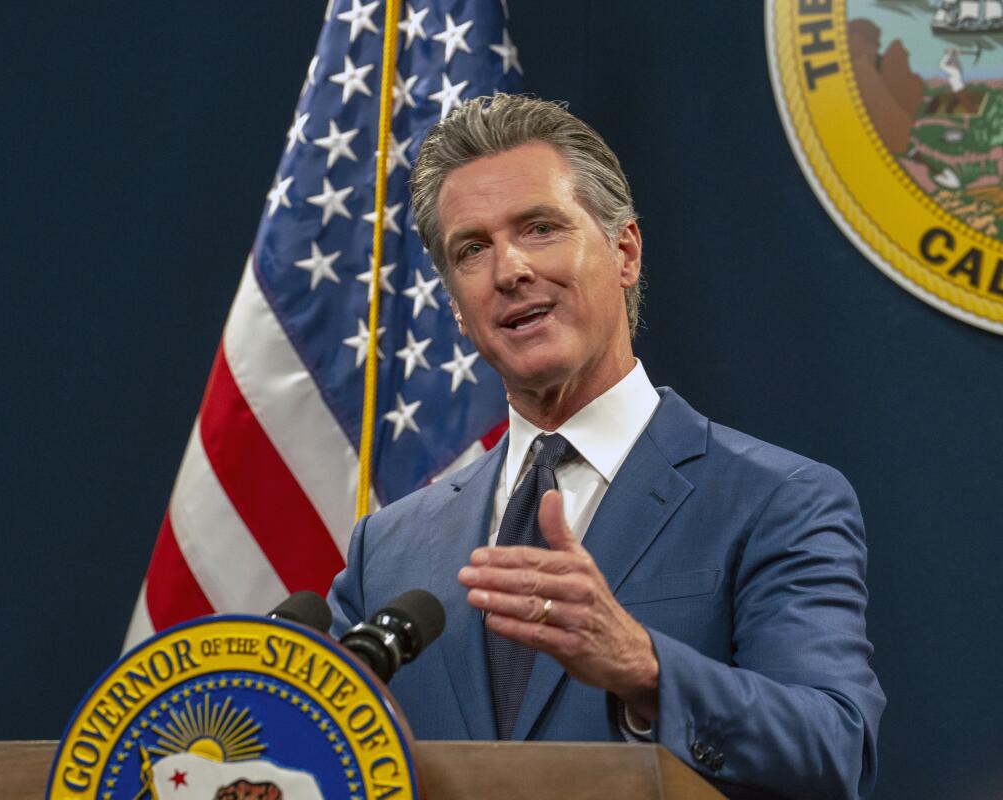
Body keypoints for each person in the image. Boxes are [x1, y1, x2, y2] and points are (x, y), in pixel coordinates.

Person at [327, 94, 884, 800]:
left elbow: (832, 747)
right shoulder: (390, 547)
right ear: (458, 312)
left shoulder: (777, 501)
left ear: (624, 252)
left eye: (540, 228)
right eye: (472, 249)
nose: (510, 271)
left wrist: (645, 666)